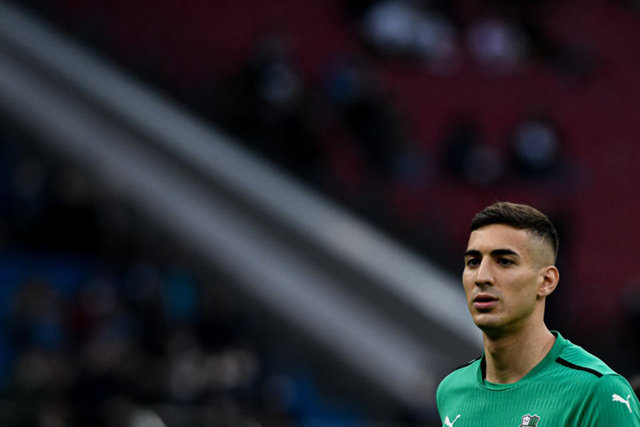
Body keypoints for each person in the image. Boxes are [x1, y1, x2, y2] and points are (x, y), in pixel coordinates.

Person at [436, 202, 640, 426]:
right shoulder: (451, 390)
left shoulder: (598, 393)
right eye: (473, 262)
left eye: (504, 262)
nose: (482, 277)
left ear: (546, 281)